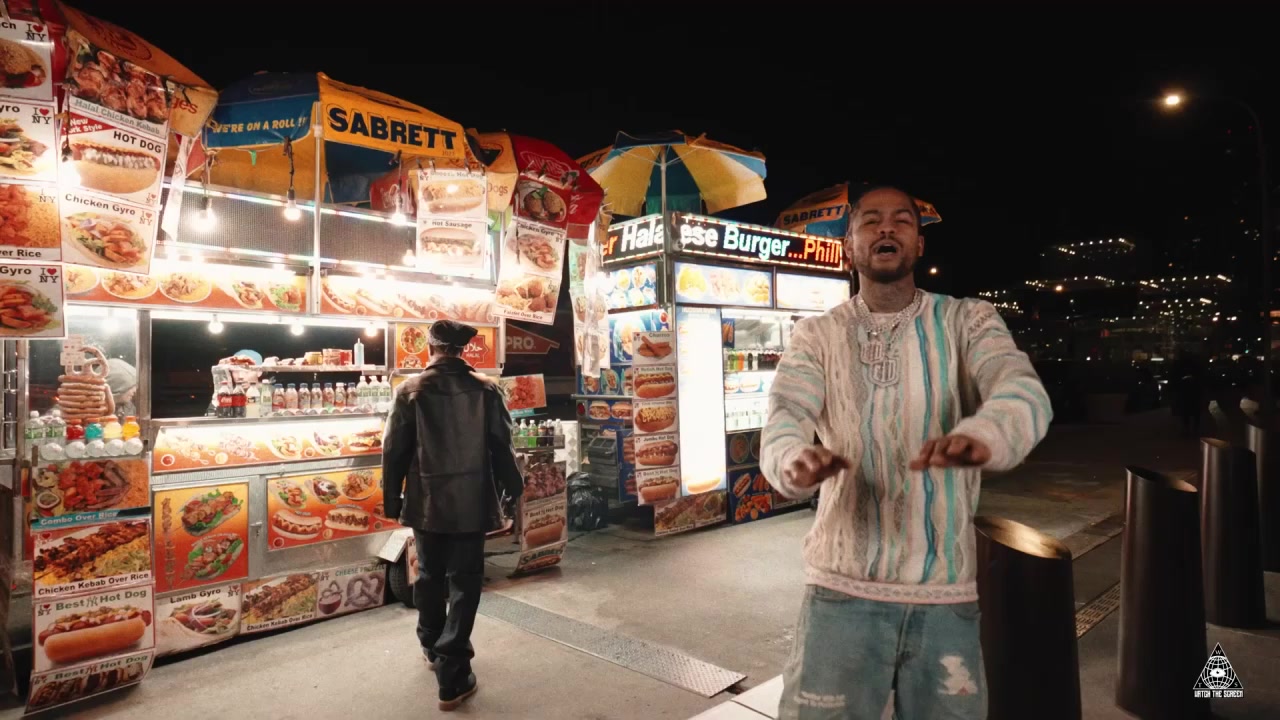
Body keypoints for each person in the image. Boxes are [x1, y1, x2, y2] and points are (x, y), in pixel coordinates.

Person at [762, 186, 1052, 720]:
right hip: (840, 590)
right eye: (870, 221)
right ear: (850, 245)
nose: (886, 228)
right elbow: (785, 413)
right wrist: (792, 459)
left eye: (901, 220)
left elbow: (1023, 392)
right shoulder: (816, 334)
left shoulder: (968, 320)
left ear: (919, 244)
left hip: (944, 593)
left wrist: (985, 434)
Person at [382, 319, 523, 711]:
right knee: (465, 581)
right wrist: (514, 488)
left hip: (425, 501)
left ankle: (432, 645)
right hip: (471, 502)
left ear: (430, 347)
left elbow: (394, 450)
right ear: (463, 350)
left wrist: (392, 499)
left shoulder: (409, 390)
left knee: (428, 575)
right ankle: (453, 671)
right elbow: (502, 445)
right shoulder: (486, 389)